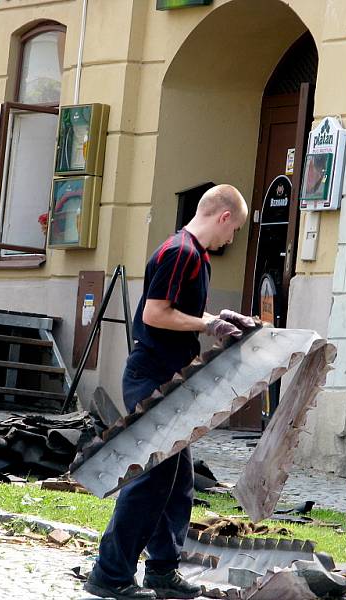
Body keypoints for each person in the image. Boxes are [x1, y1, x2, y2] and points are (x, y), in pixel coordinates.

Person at [85, 184, 255, 600]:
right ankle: (109, 576)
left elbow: (176, 311)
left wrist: (216, 318)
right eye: (234, 232)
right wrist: (209, 325)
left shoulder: (193, 255)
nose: (231, 240)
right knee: (150, 479)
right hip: (152, 375)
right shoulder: (182, 252)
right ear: (224, 217)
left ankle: (162, 571)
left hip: (169, 375)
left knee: (178, 482)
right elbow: (155, 314)